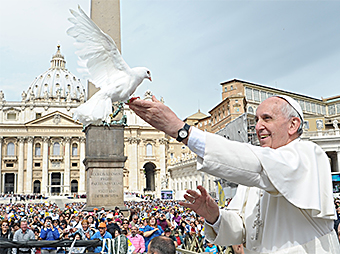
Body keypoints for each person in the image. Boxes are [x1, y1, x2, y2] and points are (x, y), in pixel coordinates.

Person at [129, 95, 340, 253]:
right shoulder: (253, 179)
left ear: (293, 124)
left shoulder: (310, 154)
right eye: (256, 120)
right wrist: (215, 216)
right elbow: (240, 230)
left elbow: (259, 165)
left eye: (267, 118)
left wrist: (182, 131)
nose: (258, 127)